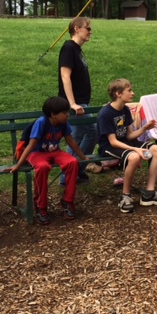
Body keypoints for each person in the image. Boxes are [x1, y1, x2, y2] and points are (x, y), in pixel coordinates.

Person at [8, 96, 87, 225]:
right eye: (64, 112)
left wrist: (83, 157)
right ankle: (41, 206)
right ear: (53, 114)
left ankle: (68, 201)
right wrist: (18, 165)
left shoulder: (63, 123)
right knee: (42, 167)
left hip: (55, 152)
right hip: (37, 153)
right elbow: (31, 145)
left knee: (72, 162)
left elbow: (70, 140)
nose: (67, 115)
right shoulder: (41, 123)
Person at [97, 79, 157, 211]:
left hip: (126, 142)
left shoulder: (125, 109)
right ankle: (125, 196)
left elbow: (130, 136)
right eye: (129, 90)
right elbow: (113, 141)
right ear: (118, 94)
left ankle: (149, 194)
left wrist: (145, 128)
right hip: (109, 147)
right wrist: (135, 149)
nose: (133, 93)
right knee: (134, 157)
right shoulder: (105, 113)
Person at [58, 16, 96, 186]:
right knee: (92, 133)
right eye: (87, 28)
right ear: (76, 29)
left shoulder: (77, 49)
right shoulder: (68, 48)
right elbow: (65, 76)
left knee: (77, 137)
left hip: (80, 102)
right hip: (75, 104)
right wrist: (72, 103)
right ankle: (73, 173)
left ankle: (67, 177)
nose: (90, 32)